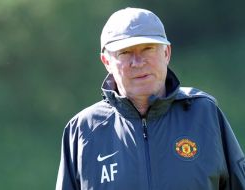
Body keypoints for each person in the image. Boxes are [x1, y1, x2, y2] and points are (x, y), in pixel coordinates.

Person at [56, 7, 245, 190]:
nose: (138, 62)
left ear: (166, 53)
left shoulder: (204, 114)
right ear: (106, 62)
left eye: (148, 48)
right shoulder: (83, 130)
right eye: (125, 52)